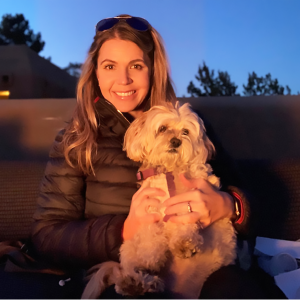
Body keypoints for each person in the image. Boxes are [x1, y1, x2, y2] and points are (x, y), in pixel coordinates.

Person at [30, 14, 284, 300]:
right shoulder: (76, 140)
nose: (123, 79)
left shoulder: (193, 126)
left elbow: (255, 205)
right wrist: (123, 230)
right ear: (95, 73)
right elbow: (47, 236)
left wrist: (229, 205)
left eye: (136, 66)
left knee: (235, 289)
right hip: (132, 273)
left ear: (153, 69)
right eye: (110, 66)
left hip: (207, 269)